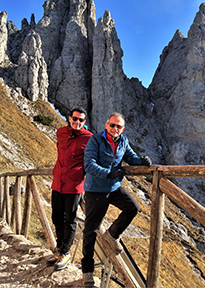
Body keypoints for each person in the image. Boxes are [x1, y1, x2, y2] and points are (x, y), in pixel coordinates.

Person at [80, 112, 152, 287]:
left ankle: (112, 235)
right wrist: (109, 174)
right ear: (106, 125)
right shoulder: (95, 140)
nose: (115, 129)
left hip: (113, 188)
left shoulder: (123, 141)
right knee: (91, 230)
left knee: (133, 207)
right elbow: (89, 164)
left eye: (118, 126)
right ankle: (87, 272)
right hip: (96, 190)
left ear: (123, 129)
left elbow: (131, 157)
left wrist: (142, 161)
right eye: (112, 125)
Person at [46, 107, 92, 271]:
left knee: (69, 219)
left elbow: (92, 160)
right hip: (58, 182)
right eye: (75, 118)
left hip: (74, 185)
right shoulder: (60, 133)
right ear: (69, 118)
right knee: (56, 217)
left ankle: (65, 252)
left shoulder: (89, 138)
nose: (77, 122)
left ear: (84, 122)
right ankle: (59, 249)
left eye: (81, 120)